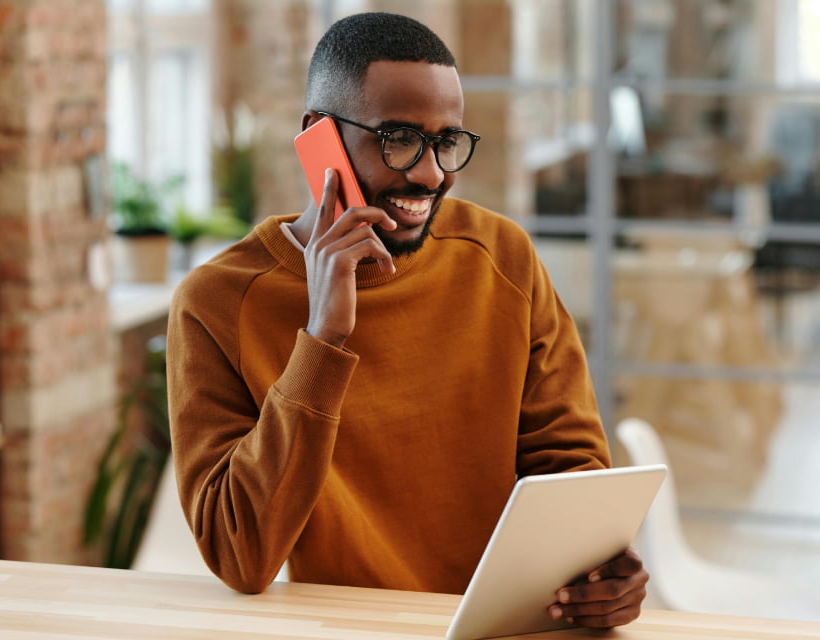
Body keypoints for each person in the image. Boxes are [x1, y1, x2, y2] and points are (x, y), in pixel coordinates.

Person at [166, 11, 648, 629]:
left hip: (509, 626)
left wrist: (602, 574)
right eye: (398, 138)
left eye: (447, 141)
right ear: (320, 137)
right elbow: (240, 555)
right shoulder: (215, 303)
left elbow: (571, 469)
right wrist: (323, 339)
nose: (430, 173)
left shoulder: (501, 257)